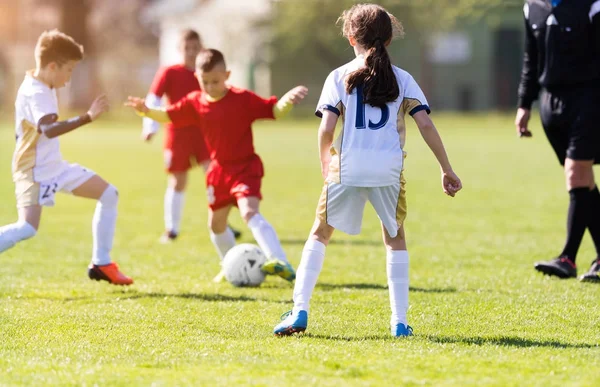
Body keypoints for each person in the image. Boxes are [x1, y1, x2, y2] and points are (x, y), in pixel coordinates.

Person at [273, 4, 462, 337]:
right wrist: (446, 168)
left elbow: (326, 129)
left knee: (319, 235)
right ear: (389, 39)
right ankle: (399, 322)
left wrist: (325, 164)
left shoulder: (338, 76)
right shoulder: (403, 78)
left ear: (350, 37)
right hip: (388, 169)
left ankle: (299, 311)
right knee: (395, 239)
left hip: (347, 168)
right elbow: (426, 124)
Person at [126, 48, 308, 282]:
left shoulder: (242, 98)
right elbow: (169, 115)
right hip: (218, 172)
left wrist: (287, 100)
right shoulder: (195, 102)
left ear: (227, 75)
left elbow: (273, 111)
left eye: (215, 81)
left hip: (244, 169)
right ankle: (229, 264)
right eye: (205, 82)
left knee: (249, 211)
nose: (210, 87)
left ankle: (279, 260)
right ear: (197, 79)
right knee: (216, 224)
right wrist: (146, 112)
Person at [0, 30, 133, 285]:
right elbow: (48, 129)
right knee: (27, 228)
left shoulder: (45, 83)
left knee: (109, 194)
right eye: (69, 70)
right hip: (33, 172)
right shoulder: (36, 92)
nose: (69, 77)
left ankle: (101, 263)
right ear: (52, 66)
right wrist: (87, 117)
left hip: (55, 168)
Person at [516, 0, 600, 283]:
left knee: (576, 174)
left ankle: (567, 258)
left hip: (588, 99)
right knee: (583, 181)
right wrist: (524, 103)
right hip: (550, 104)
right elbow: (531, 59)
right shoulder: (532, 7)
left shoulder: (592, 5)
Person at [142, 29, 241, 243]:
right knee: (178, 181)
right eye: (187, 48)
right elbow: (154, 98)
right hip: (177, 136)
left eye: (195, 48)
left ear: (201, 48)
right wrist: (150, 126)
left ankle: (223, 224)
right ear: (180, 49)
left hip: (205, 134)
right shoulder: (169, 72)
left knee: (215, 178)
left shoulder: (206, 74)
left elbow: (224, 98)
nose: (191, 52)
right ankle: (172, 229)